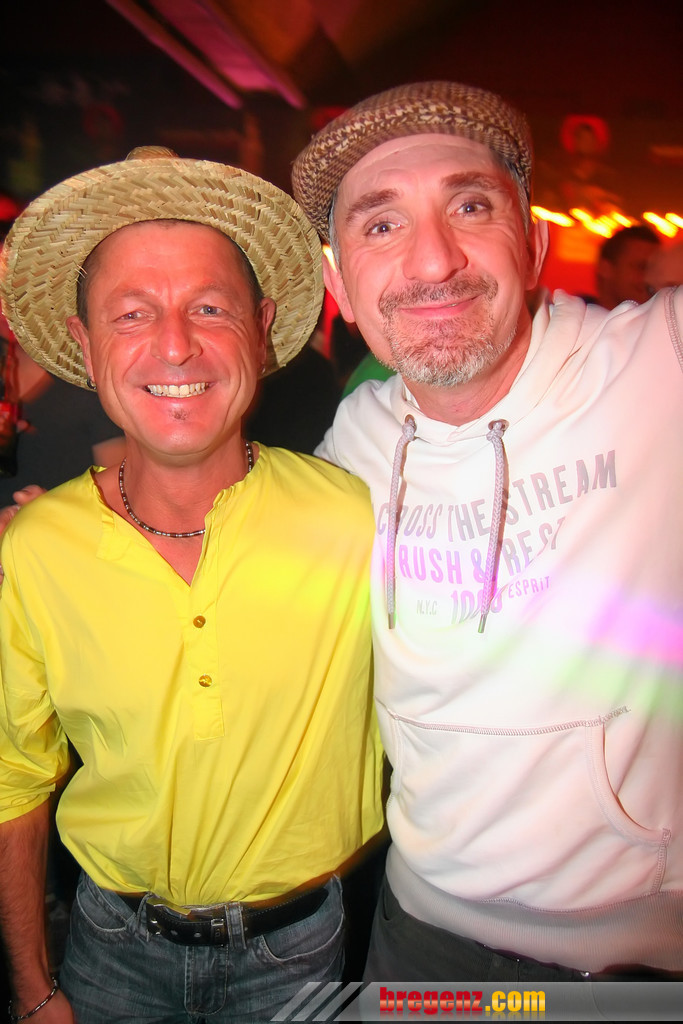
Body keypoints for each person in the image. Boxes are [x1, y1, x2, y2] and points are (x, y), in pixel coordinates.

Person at [292, 81, 683, 981]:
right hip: (416, 937)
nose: (433, 261)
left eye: (470, 207)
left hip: (637, 966)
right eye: (381, 225)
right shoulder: (351, 443)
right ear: (339, 285)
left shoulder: (654, 363)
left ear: (534, 246)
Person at [0, 148, 383, 1022]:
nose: (175, 345)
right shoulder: (40, 546)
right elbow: (13, 776)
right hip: (105, 951)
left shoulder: (355, 519)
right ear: (85, 345)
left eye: (209, 308)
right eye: (132, 313)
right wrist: (33, 990)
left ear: (262, 328)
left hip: (302, 954)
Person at [592, 223, 661, 308]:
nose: (651, 279)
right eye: (641, 267)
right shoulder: (579, 313)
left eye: (657, 270)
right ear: (605, 268)